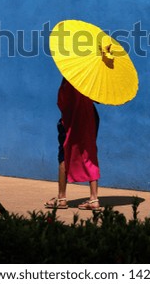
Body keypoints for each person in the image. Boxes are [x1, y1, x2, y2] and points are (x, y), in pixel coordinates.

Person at [44, 78, 101, 211]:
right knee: (90, 154)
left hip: (71, 121)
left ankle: (62, 198)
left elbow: (61, 103)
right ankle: (94, 199)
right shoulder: (92, 78)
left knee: (64, 155)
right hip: (90, 118)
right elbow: (98, 99)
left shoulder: (70, 77)